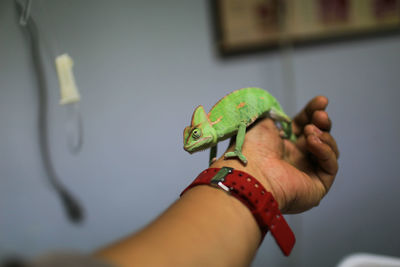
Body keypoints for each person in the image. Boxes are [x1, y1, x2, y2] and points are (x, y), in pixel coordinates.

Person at [6, 96, 338, 267]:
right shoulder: (211, 134)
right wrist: (253, 174)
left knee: (280, 119)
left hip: (263, 111)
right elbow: (214, 152)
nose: (192, 142)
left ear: (203, 129)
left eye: (195, 135)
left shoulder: (220, 125)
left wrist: (246, 157)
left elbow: (240, 131)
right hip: (251, 173)